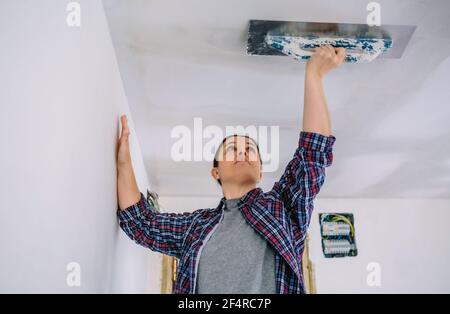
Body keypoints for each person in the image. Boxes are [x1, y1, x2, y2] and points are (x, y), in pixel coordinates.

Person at [116, 45, 345, 294]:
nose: (242, 152)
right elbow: (140, 222)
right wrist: (124, 163)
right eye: (231, 149)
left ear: (260, 172)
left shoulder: (284, 206)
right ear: (216, 173)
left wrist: (314, 75)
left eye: (250, 149)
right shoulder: (195, 227)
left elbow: (312, 153)